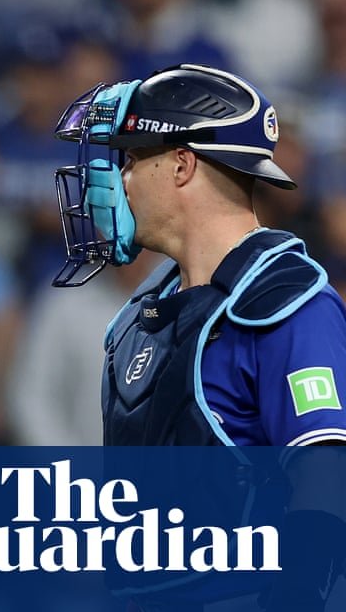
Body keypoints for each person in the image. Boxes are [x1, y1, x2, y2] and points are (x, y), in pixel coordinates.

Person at [52, 64, 346, 610]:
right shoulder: (140, 314)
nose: (119, 179)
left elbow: (326, 478)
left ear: (182, 165)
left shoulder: (284, 300)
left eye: (131, 159)